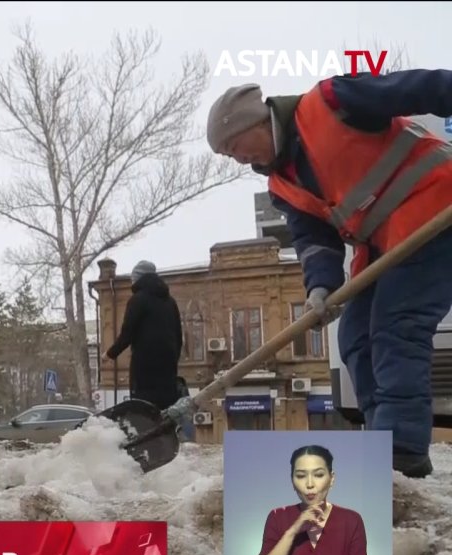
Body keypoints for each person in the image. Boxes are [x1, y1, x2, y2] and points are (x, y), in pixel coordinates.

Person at [202, 70, 452, 479]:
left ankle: (402, 450)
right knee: (355, 335)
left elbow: (423, 87)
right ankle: (383, 439)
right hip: (385, 243)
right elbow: (315, 241)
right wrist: (320, 285)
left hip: (436, 209)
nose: (237, 158)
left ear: (255, 122)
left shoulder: (332, 102)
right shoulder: (283, 187)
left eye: (234, 146)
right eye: (228, 155)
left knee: (395, 326)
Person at [254, 445, 369, 555]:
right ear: (292, 481)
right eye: (300, 476)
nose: (309, 484)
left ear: (332, 478)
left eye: (319, 475)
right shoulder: (278, 517)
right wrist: (293, 531)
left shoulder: (351, 520)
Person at [103, 260, 183, 411]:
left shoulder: (138, 300)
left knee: (143, 412)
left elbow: (127, 334)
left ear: (137, 279)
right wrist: (173, 360)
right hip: (168, 369)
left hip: (145, 368)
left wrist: (109, 354)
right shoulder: (170, 302)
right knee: (166, 413)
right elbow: (179, 337)